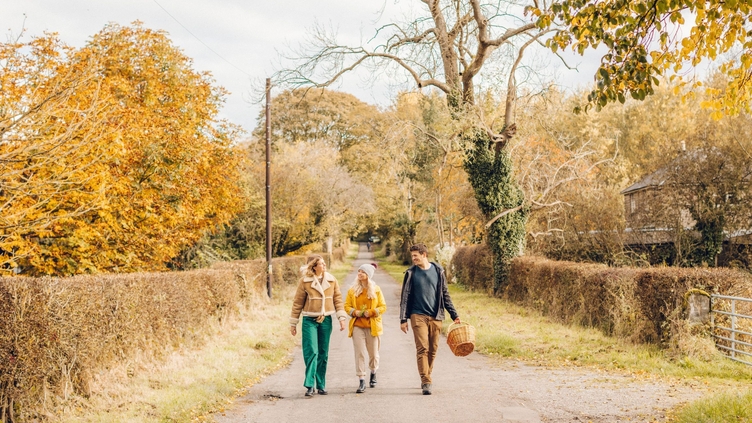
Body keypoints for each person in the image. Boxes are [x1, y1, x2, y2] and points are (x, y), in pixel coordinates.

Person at [399, 243, 460, 395]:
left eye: (415, 256)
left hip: (436, 316)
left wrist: (454, 314)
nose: (413, 258)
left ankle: (427, 374)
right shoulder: (411, 273)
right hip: (417, 315)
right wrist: (403, 319)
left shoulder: (438, 271)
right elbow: (405, 298)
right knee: (422, 348)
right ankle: (426, 381)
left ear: (424, 255)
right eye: (412, 256)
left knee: (433, 350)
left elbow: (445, 294)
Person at [290, 255, 347, 397]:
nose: (324, 265)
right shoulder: (304, 282)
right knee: (312, 351)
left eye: (324, 263)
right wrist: (293, 323)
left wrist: (341, 318)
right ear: (314, 266)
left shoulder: (332, 280)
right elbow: (297, 303)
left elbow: (338, 299)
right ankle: (309, 385)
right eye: (321, 264)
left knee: (323, 353)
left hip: (326, 319)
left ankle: (321, 385)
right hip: (309, 319)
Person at [344, 262, 387, 393]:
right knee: (360, 353)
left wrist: (372, 312)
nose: (360, 274)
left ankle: (373, 372)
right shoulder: (352, 290)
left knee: (373, 353)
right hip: (357, 325)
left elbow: (383, 307)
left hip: (372, 326)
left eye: (362, 272)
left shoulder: (376, 289)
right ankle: (361, 380)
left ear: (368, 274)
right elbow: (346, 306)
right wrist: (354, 312)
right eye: (359, 271)